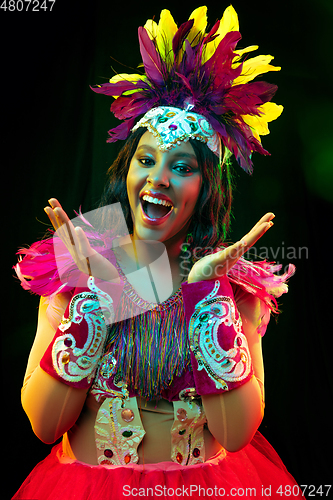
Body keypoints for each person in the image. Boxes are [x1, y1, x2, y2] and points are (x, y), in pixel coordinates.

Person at [13, 6, 301, 499]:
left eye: (182, 166)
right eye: (146, 160)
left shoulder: (236, 286)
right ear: (128, 171)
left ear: (208, 188)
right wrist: (93, 295)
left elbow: (235, 436)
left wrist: (207, 294)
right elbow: (44, 423)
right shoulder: (75, 260)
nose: (159, 178)